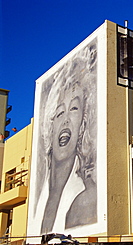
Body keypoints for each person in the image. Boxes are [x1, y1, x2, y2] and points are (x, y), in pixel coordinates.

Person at [30, 43, 98, 234]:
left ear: (82, 125)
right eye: (59, 113)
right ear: (49, 129)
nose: (66, 119)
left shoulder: (85, 197)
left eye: (74, 109)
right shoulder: (38, 195)